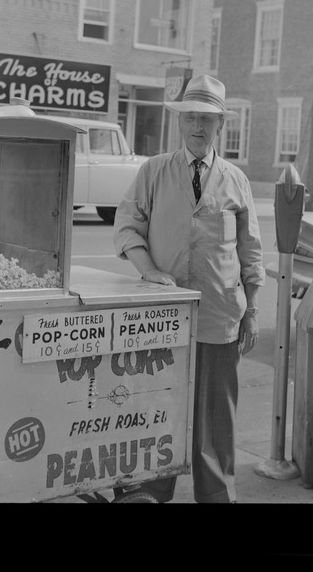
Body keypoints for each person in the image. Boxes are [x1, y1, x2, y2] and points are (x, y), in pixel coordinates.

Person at [112, 74, 265, 504]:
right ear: (181, 123)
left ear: (220, 125)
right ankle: (150, 489)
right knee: (156, 406)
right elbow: (126, 227)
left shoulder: (236, 180)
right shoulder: (154, 170)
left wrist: (251, 309)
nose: (198, 127)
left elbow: (251, 253)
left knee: (216, 415)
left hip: (220, 315)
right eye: (191, 118)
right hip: (162, 317)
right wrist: (148, 271)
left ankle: (217, 494)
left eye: (208, 119)